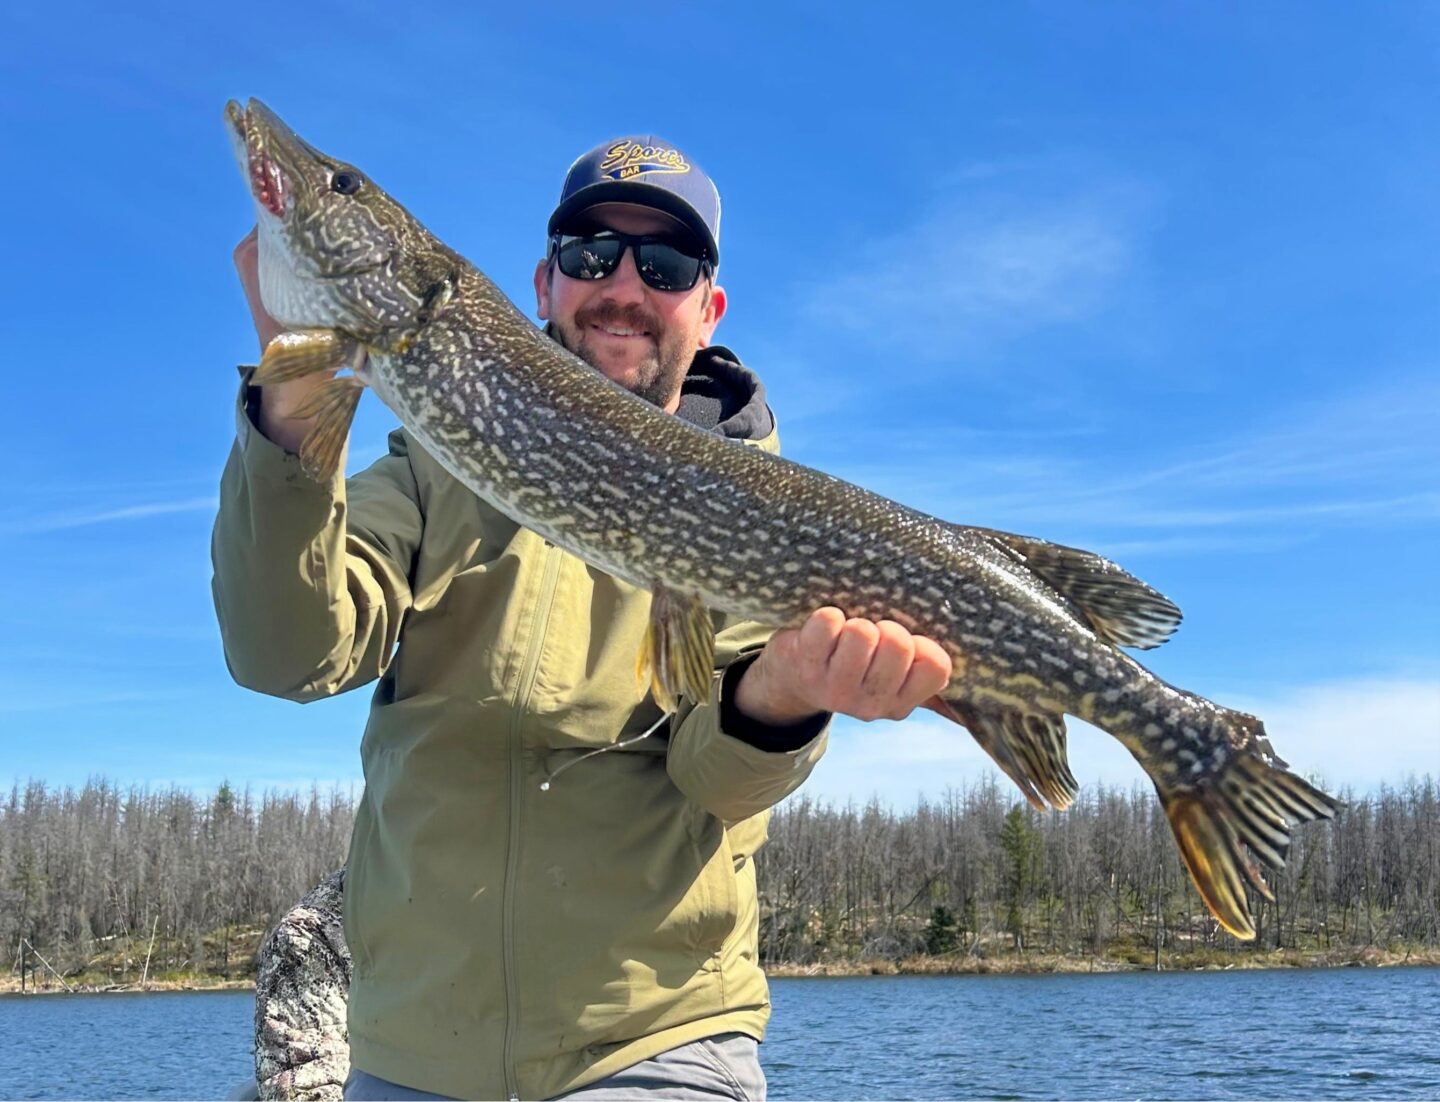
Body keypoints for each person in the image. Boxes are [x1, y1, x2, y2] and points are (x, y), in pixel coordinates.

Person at [213, 136, 951, 1101]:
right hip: (412, 1047)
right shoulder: (431, 467)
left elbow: (718, 781)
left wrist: (781, 695)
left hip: (653, 1040)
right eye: (592, 254)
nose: (624, 285)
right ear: (544, 283)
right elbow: (285, 653)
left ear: (708, 308)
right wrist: (294, 397)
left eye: (667, 264)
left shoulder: (759, 512)